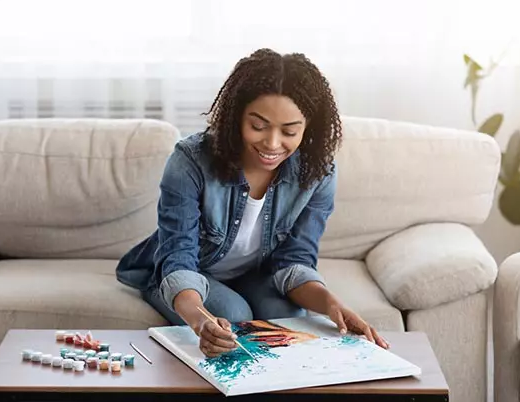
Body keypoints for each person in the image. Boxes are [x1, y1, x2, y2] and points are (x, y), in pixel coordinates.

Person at [116, 48, 388, 357]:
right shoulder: (190, 162)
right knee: (234, 316)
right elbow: (179, 258)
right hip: (182, 275)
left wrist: (332, 305)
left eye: (289, 131)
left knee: (289, 320)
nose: (272, 144)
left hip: (255, 276)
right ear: (236, 117)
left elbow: (295, 260)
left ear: (308, 127)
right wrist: (200, 321)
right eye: (258, 126)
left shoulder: (318, 173)